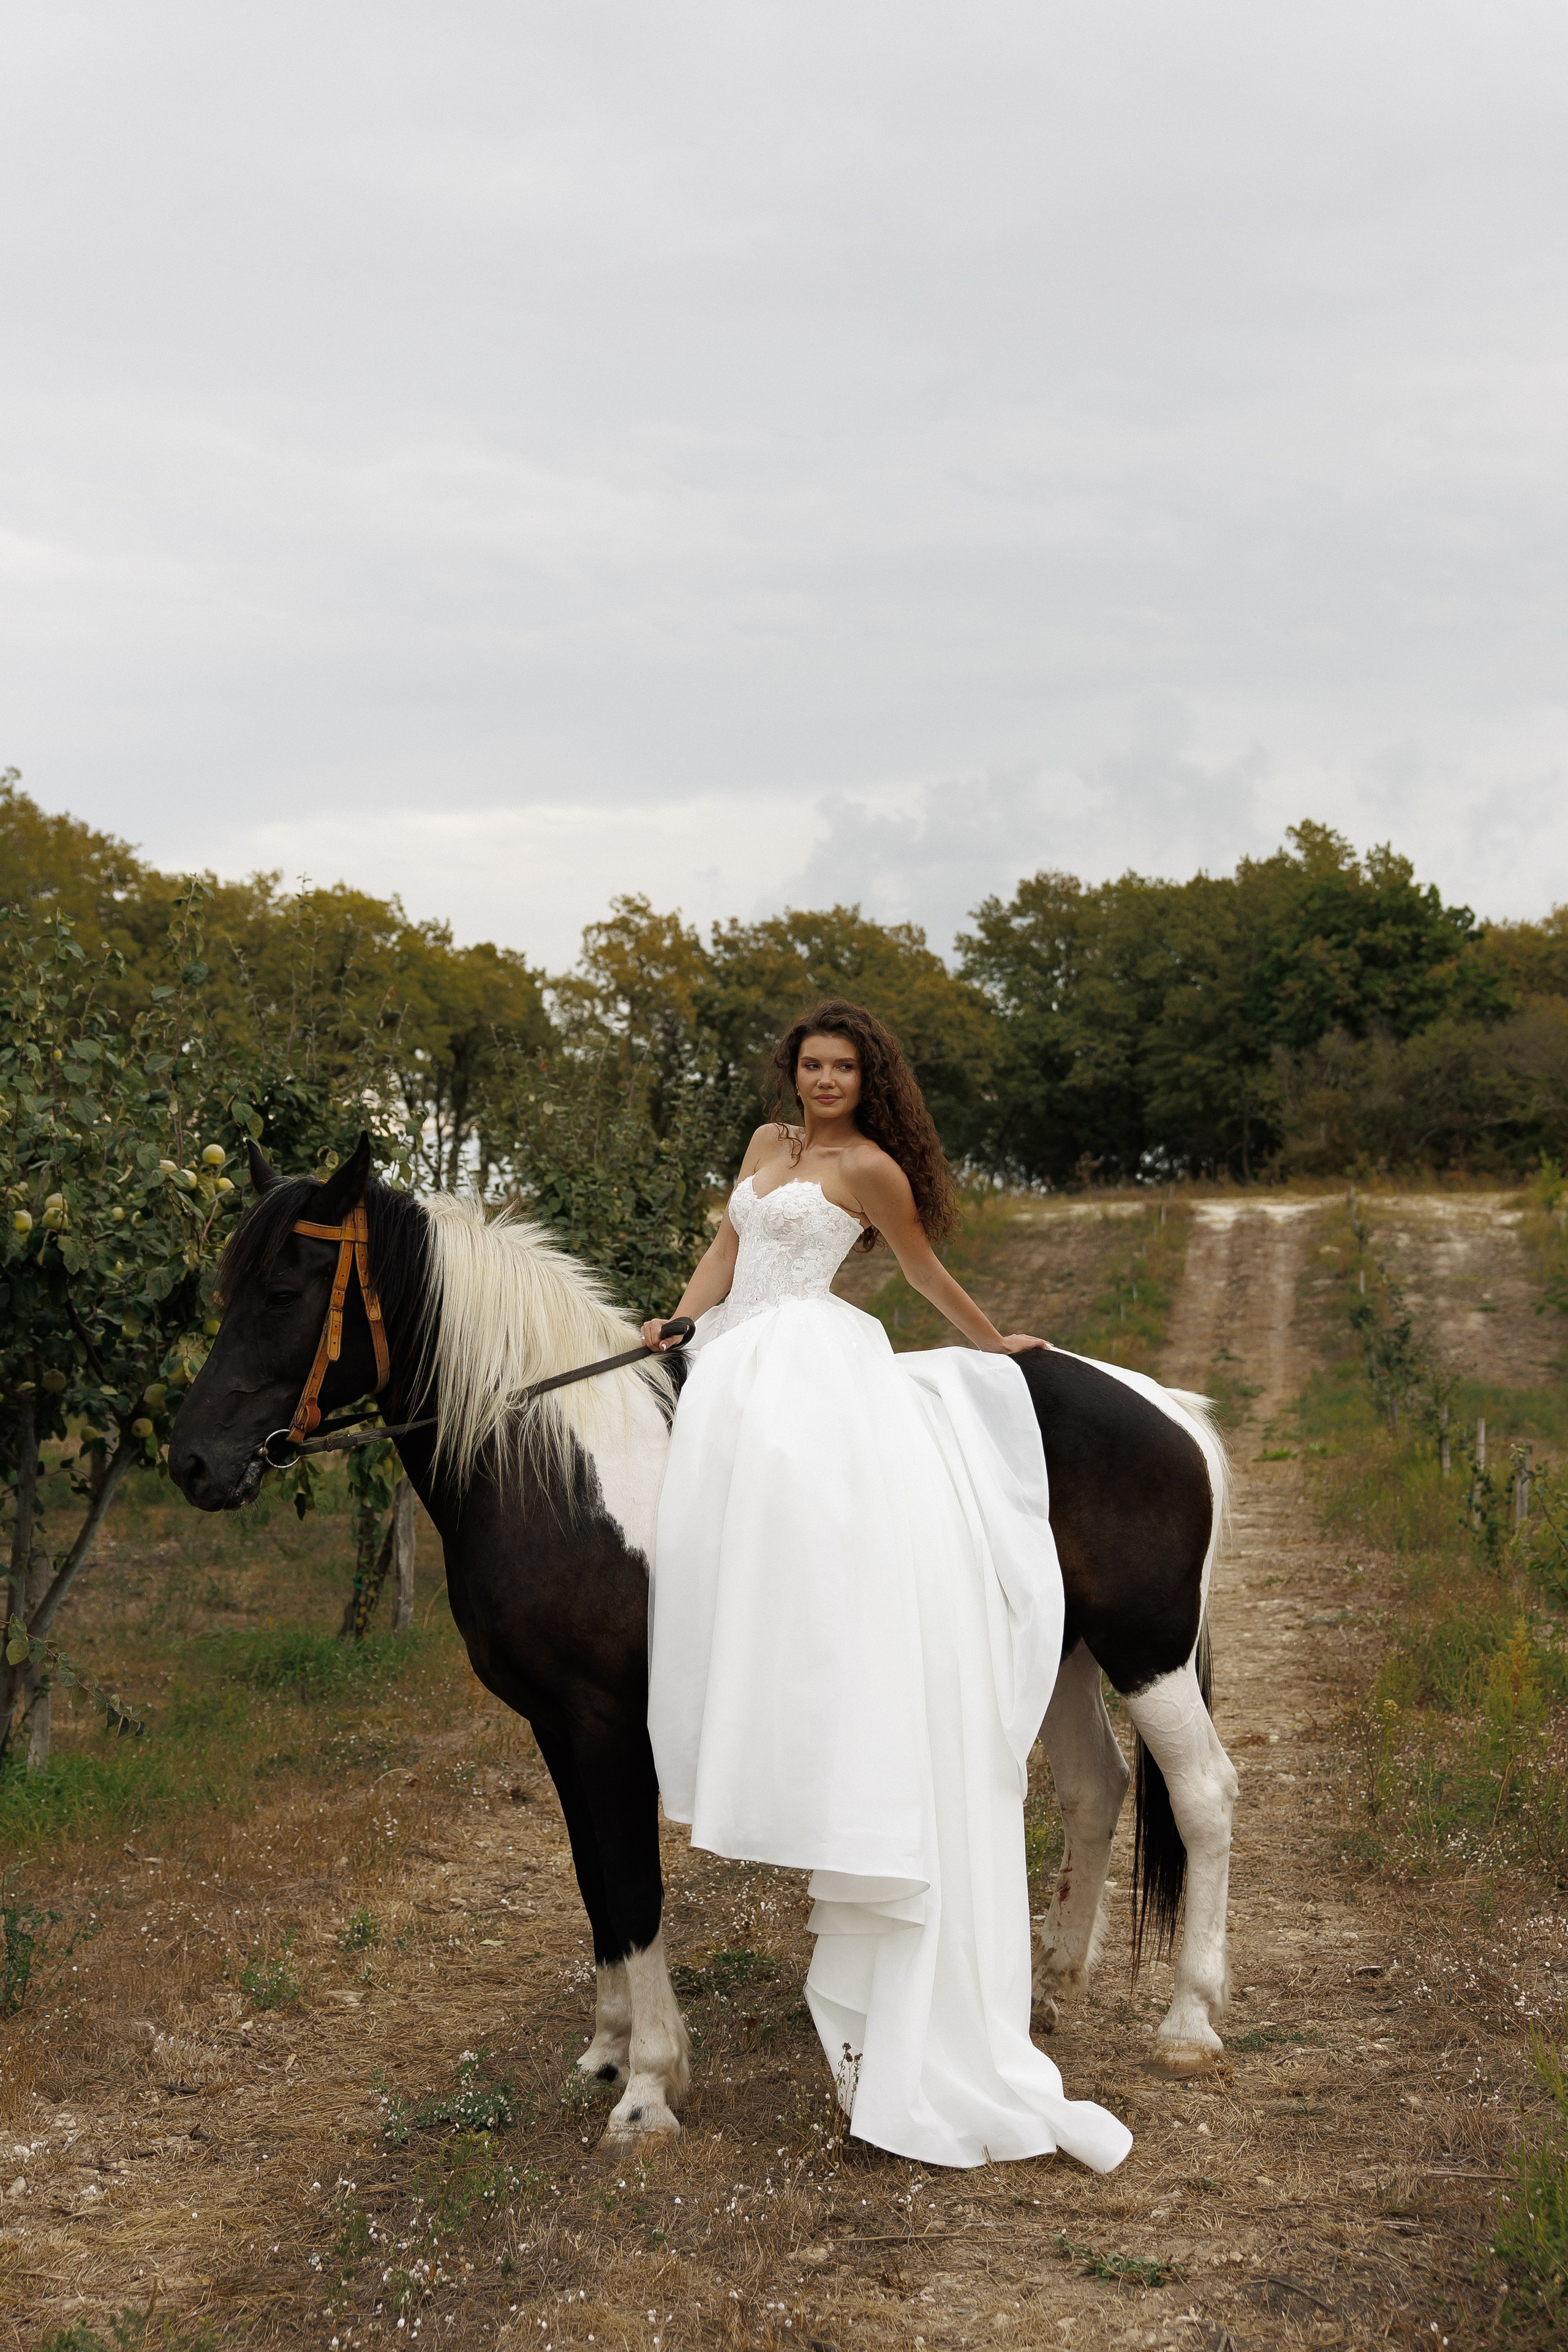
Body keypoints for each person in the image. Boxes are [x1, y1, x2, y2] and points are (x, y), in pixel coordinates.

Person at [641, 1000, 1131, 2173]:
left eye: (842, 1068)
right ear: (791, 1072)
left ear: (869, 1080)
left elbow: (919, 1274)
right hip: (732, 1362)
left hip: (812, 1361)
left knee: (816, 1514)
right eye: (810, 1065)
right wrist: (682, 1316)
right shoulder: (764, 1149)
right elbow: (727, 1249)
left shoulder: (870, 1169)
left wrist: (995, 1338)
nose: (822, 1082)